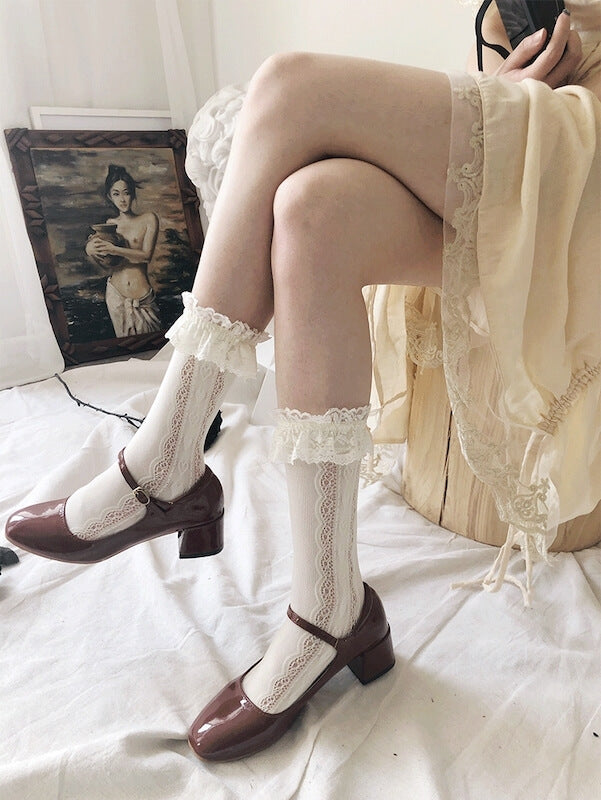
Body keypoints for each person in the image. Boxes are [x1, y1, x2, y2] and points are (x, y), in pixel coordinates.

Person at [6, 0, 600, 763]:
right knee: (312, 209)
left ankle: (164, 463)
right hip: (538, 139)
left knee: (290, 84)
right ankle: (329, 603)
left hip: (583, 167)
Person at [85, 164, 162, 337]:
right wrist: (91, 249)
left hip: (142, 296)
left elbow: (146, 256)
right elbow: (106, 263)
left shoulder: (148, 219)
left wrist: (115, 249)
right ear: (109, 197)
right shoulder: (109, 225)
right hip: (115, 295)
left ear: (132, 193)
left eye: (126, 193)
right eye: (116, 194)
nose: (122, 199)